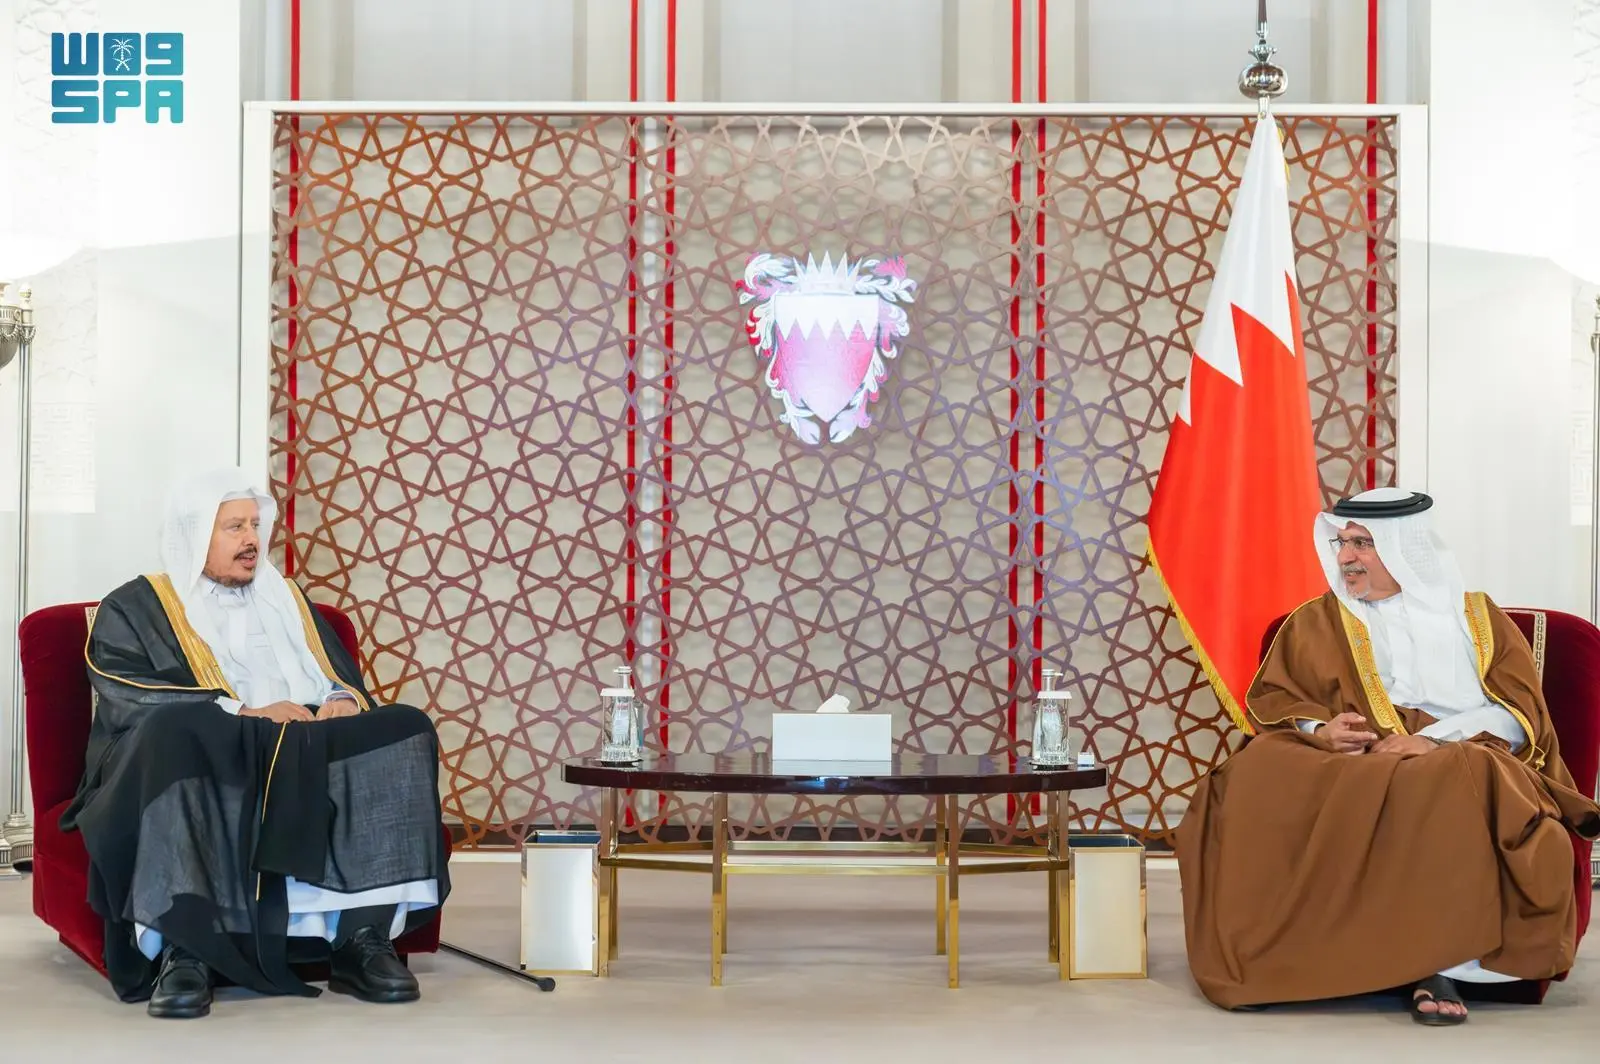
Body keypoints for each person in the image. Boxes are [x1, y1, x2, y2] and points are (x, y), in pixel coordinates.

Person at [1176, 487, 1600, 1026]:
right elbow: (1278, 699)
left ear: (1408, 548)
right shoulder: (1315, 620)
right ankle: (1276, 962)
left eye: (1363, 544)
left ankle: (1437, 964)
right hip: (1352, 751)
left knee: (1452, 775)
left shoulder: (1477, 620)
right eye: (1342, 543)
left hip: (1462, 749)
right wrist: (1321, 730)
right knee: (1256, 770)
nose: (1346, 558)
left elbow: (1518, 715)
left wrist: (1435, 740)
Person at [62, 467, 451, 1019]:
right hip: (211, 747)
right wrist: (241, 713)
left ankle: (360, 937)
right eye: (235, 527)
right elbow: (127, 692)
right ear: (195, 533)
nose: (252, 540)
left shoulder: (285, 596)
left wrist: (341, 698)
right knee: (173, 733)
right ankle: (185, 949)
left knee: (406, 725)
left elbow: (332, 673)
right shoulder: (136, 606)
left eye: (255, 525)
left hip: (302, 741)